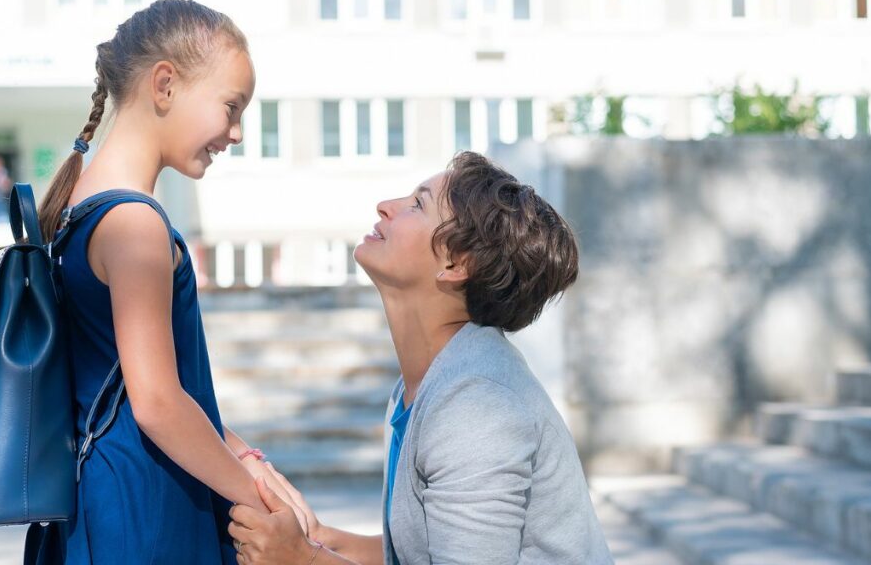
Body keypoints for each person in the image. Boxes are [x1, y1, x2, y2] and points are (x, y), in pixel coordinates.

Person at [228, 152, 614, 564]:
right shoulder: (429, 382)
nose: (385, 206)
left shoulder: (477, 409)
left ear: (456, 263)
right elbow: (422, 552)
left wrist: (302, 559)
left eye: (417, 205)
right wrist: (320, 539)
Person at [35, 0, 302, 564]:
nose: (235, 133)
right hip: (142, 510)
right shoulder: (133, 224)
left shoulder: (77, 209)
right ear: (165, 85)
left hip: (104, 499)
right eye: (231, 107)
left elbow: (151, 391)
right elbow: (156, 402)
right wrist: (262, 505)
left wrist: (246, 456)